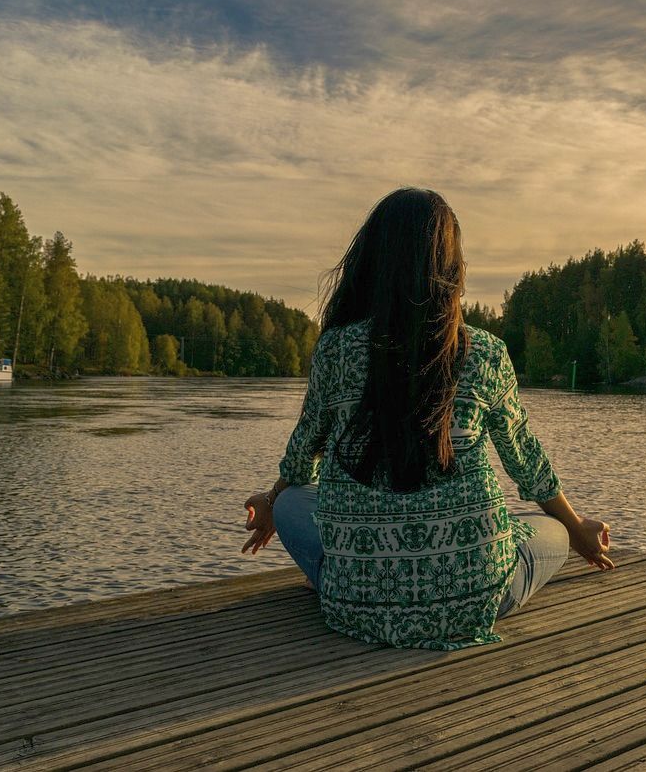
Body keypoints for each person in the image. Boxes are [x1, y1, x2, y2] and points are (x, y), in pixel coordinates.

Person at [241, 188, 614, 650]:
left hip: (356, 605)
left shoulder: (336, 349)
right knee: (552, 530)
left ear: (372, 262)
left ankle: (353, 579)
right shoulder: (485, 352)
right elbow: (527, 464)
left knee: (295, 501)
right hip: (475, 599)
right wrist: (578, 530)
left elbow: (302, 458)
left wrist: (274, 500)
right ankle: (435, 576)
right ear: (452, 268)